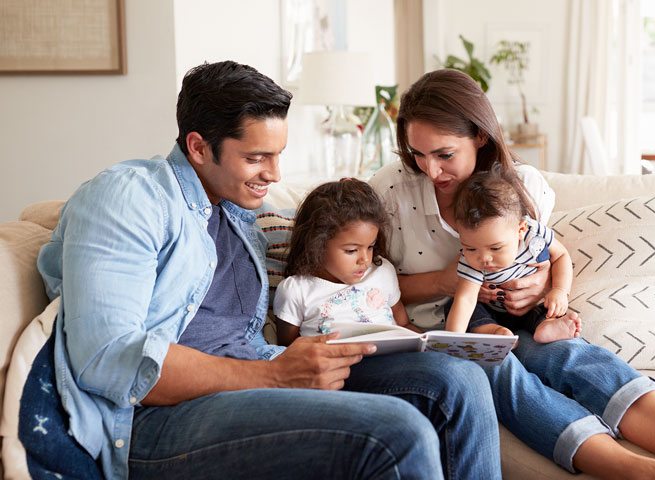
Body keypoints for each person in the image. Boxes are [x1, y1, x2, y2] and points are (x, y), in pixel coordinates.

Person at [24, 61, 501, 480]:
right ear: (197, 146)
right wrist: (274, 378)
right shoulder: (129, 197)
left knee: (459, 381)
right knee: (397, 433)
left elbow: (319, 252)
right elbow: (107, 358)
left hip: (261, 374)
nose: (273, 174)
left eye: (278, 156)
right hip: (156, 419)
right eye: (256, 158)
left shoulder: (240, 212)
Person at [369, 68, 655, 479]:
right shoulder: (389, 190)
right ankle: (636, 471)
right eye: (417, 154)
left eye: (444, 154)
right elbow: (364, 286)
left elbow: (543, 259)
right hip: (447, 330)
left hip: (517, 316)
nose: (431, 170)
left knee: (569, 354)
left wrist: (539, 289)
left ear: (480, 136)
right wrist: (446, 282)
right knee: (496, 368)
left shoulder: (523, 186)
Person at [274, 179, 421, 346]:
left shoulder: (382, 271)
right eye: (351, 251)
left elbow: (403, 325)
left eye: (370, 247)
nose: (365, 260)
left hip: (394, 360)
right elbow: (288, 352)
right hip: (339, 368)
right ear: (317, 244)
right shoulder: (295, 290)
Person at [445, 170, 582, 343]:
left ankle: (546, 327)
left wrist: (560, 290)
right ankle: (492, 330)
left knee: (547, 307)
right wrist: (451, 342)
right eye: (470, 248)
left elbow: (561, 255)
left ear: (520, 230)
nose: (484, 258)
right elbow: (466, 299)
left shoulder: (534, 236)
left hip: (530, 306)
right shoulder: (470, 261)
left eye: (495, 248)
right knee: (455, 305)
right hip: (493, 312)